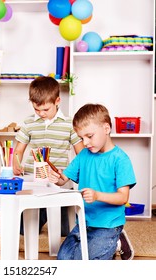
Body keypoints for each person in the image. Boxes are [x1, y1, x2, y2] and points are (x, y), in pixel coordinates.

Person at [48, 103, 136, 260]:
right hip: (84, 222)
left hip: (108, 225)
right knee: (63, 259)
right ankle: (107, 246)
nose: (85, 143)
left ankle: (116, 240)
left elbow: (123, 198)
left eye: (89, 136)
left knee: (83, 261)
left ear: (106, 129)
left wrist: (97, 196)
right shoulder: (83, 155)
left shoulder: (120, 159)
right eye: (82, 138)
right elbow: (63, 180)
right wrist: (56, 178)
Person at [12, 76, 84, 236]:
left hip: (59, 182)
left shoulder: (69, 124)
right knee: (24, 231)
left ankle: (46, 211)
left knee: (64, 232)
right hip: (34, 180)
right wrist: (16, 162)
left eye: (45, 110)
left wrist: (70, 174)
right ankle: (40, 211)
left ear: (57, 101)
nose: (41, 114)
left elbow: (82, 153)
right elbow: (18, 150)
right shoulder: (29, 123)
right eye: (36, 109)